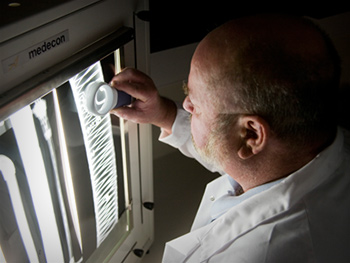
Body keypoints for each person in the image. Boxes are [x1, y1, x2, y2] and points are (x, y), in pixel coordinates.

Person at [110, 14, 350, 262]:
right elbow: (226, 145)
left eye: (196, 103)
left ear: (251, 135)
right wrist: (165, 114)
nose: (186, 104)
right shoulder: (308, 149)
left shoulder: (263, 253)